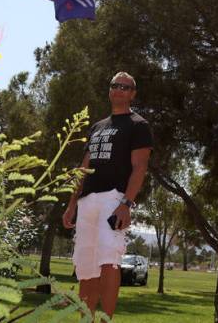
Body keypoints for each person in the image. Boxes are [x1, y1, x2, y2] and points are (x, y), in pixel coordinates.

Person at [63, 71, 153, 318]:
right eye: (115, 85)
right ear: (109, 90)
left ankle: (106, 318)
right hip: (87, 201)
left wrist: (126, 203)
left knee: (108, 260)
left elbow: (140, 167)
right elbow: (83, 168)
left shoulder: (138, 125)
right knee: (85, 266)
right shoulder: (97, 127)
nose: (118, 90)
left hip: (114, 199)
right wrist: (72, 204)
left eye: (125, 87)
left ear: (132, 94)